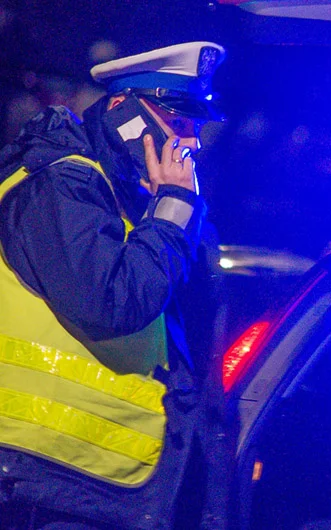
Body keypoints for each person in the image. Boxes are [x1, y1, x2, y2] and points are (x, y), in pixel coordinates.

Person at [0, 42, 231, 529]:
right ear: (124, 112)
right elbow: (112, 302)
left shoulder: (130, 206)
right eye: (177, 120)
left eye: (196, 126)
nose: (192, 142)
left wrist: (178, 217)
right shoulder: (60, 181)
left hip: (85, 487)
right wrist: (172, 208)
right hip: (30, 482)